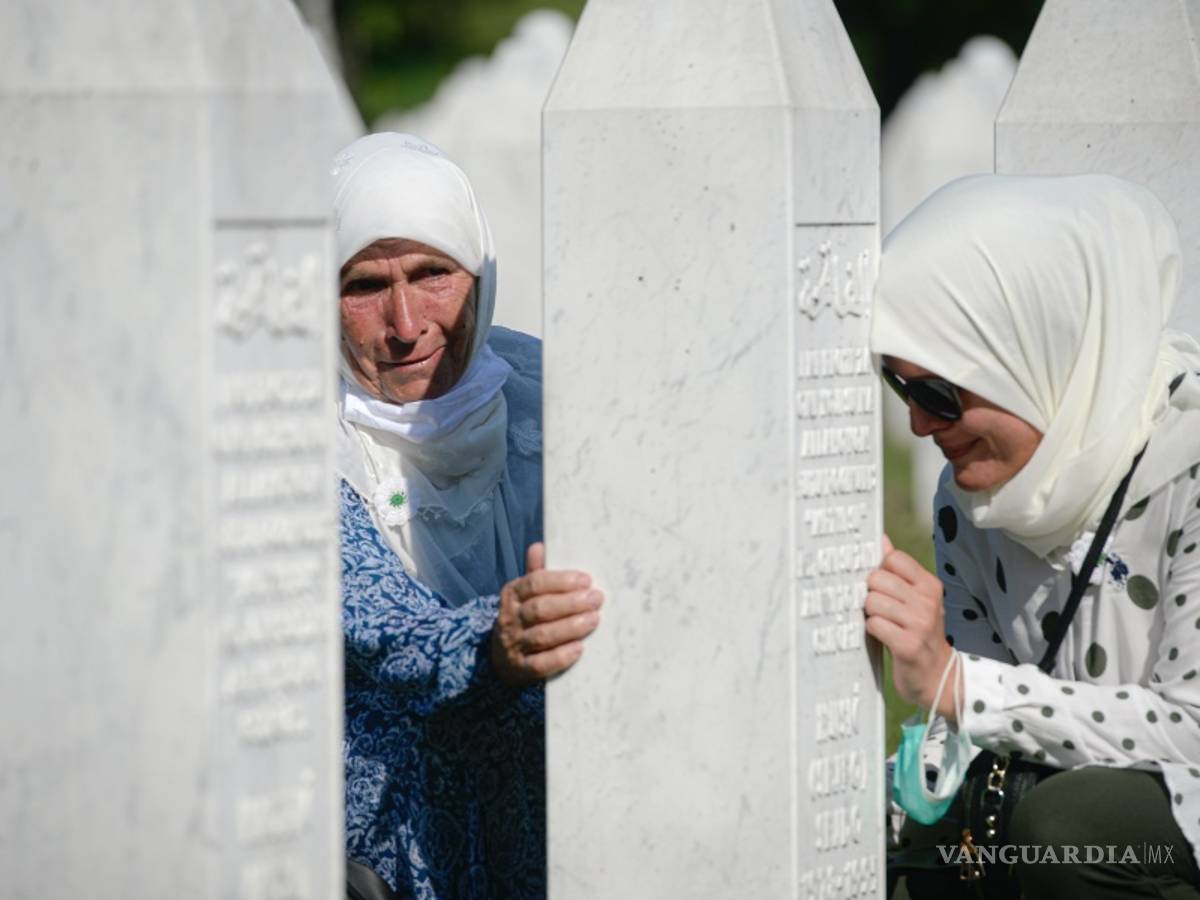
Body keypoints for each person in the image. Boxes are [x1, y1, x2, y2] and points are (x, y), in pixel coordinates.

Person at [867, 174, 1200, 898]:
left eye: (938, 392)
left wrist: (957, 683)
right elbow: (978, 726)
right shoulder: (971, 497)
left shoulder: (1192, 464)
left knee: (1067, 824)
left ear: (1032, 354)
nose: (921, 424)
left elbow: (1192, 729)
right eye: (902, 389)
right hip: (1058, 800)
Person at [333, 132, 603, 898]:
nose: (405, 321)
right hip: (389, 857)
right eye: (363, 286)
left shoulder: (552, 395)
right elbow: (385, 630)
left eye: (432, 274)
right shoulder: (301, 444)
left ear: (479, 280)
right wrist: (496, 645)